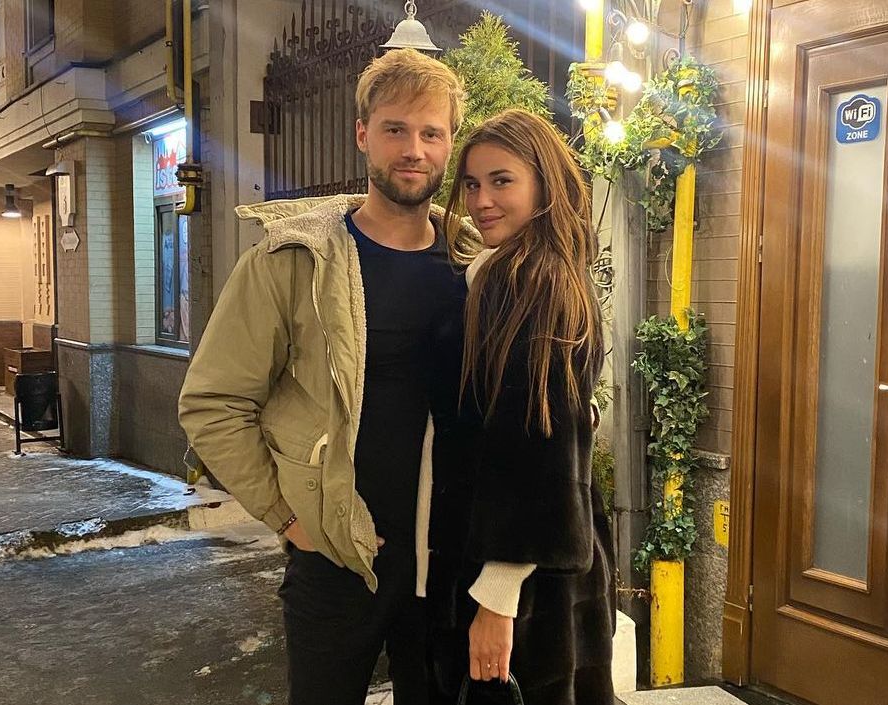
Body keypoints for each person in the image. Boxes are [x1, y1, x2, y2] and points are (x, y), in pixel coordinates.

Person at [178, 48, 469, 705]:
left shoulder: (471, 260)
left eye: (431, 133)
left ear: (449, 144)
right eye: (395, 129)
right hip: (336, 560)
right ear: (363, 134)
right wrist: (288, 518)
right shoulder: (292, 262)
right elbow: (213, 403)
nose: (414, 149)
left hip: (443, 561)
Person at [429, 107, 616, 705]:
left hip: (522, 584)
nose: (482, 200)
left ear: (543, 185)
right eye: (471, 184)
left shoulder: (527, 286)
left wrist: (496, 598)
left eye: (501, 181)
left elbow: (536, 447)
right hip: (540, 574)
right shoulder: (530, 273)